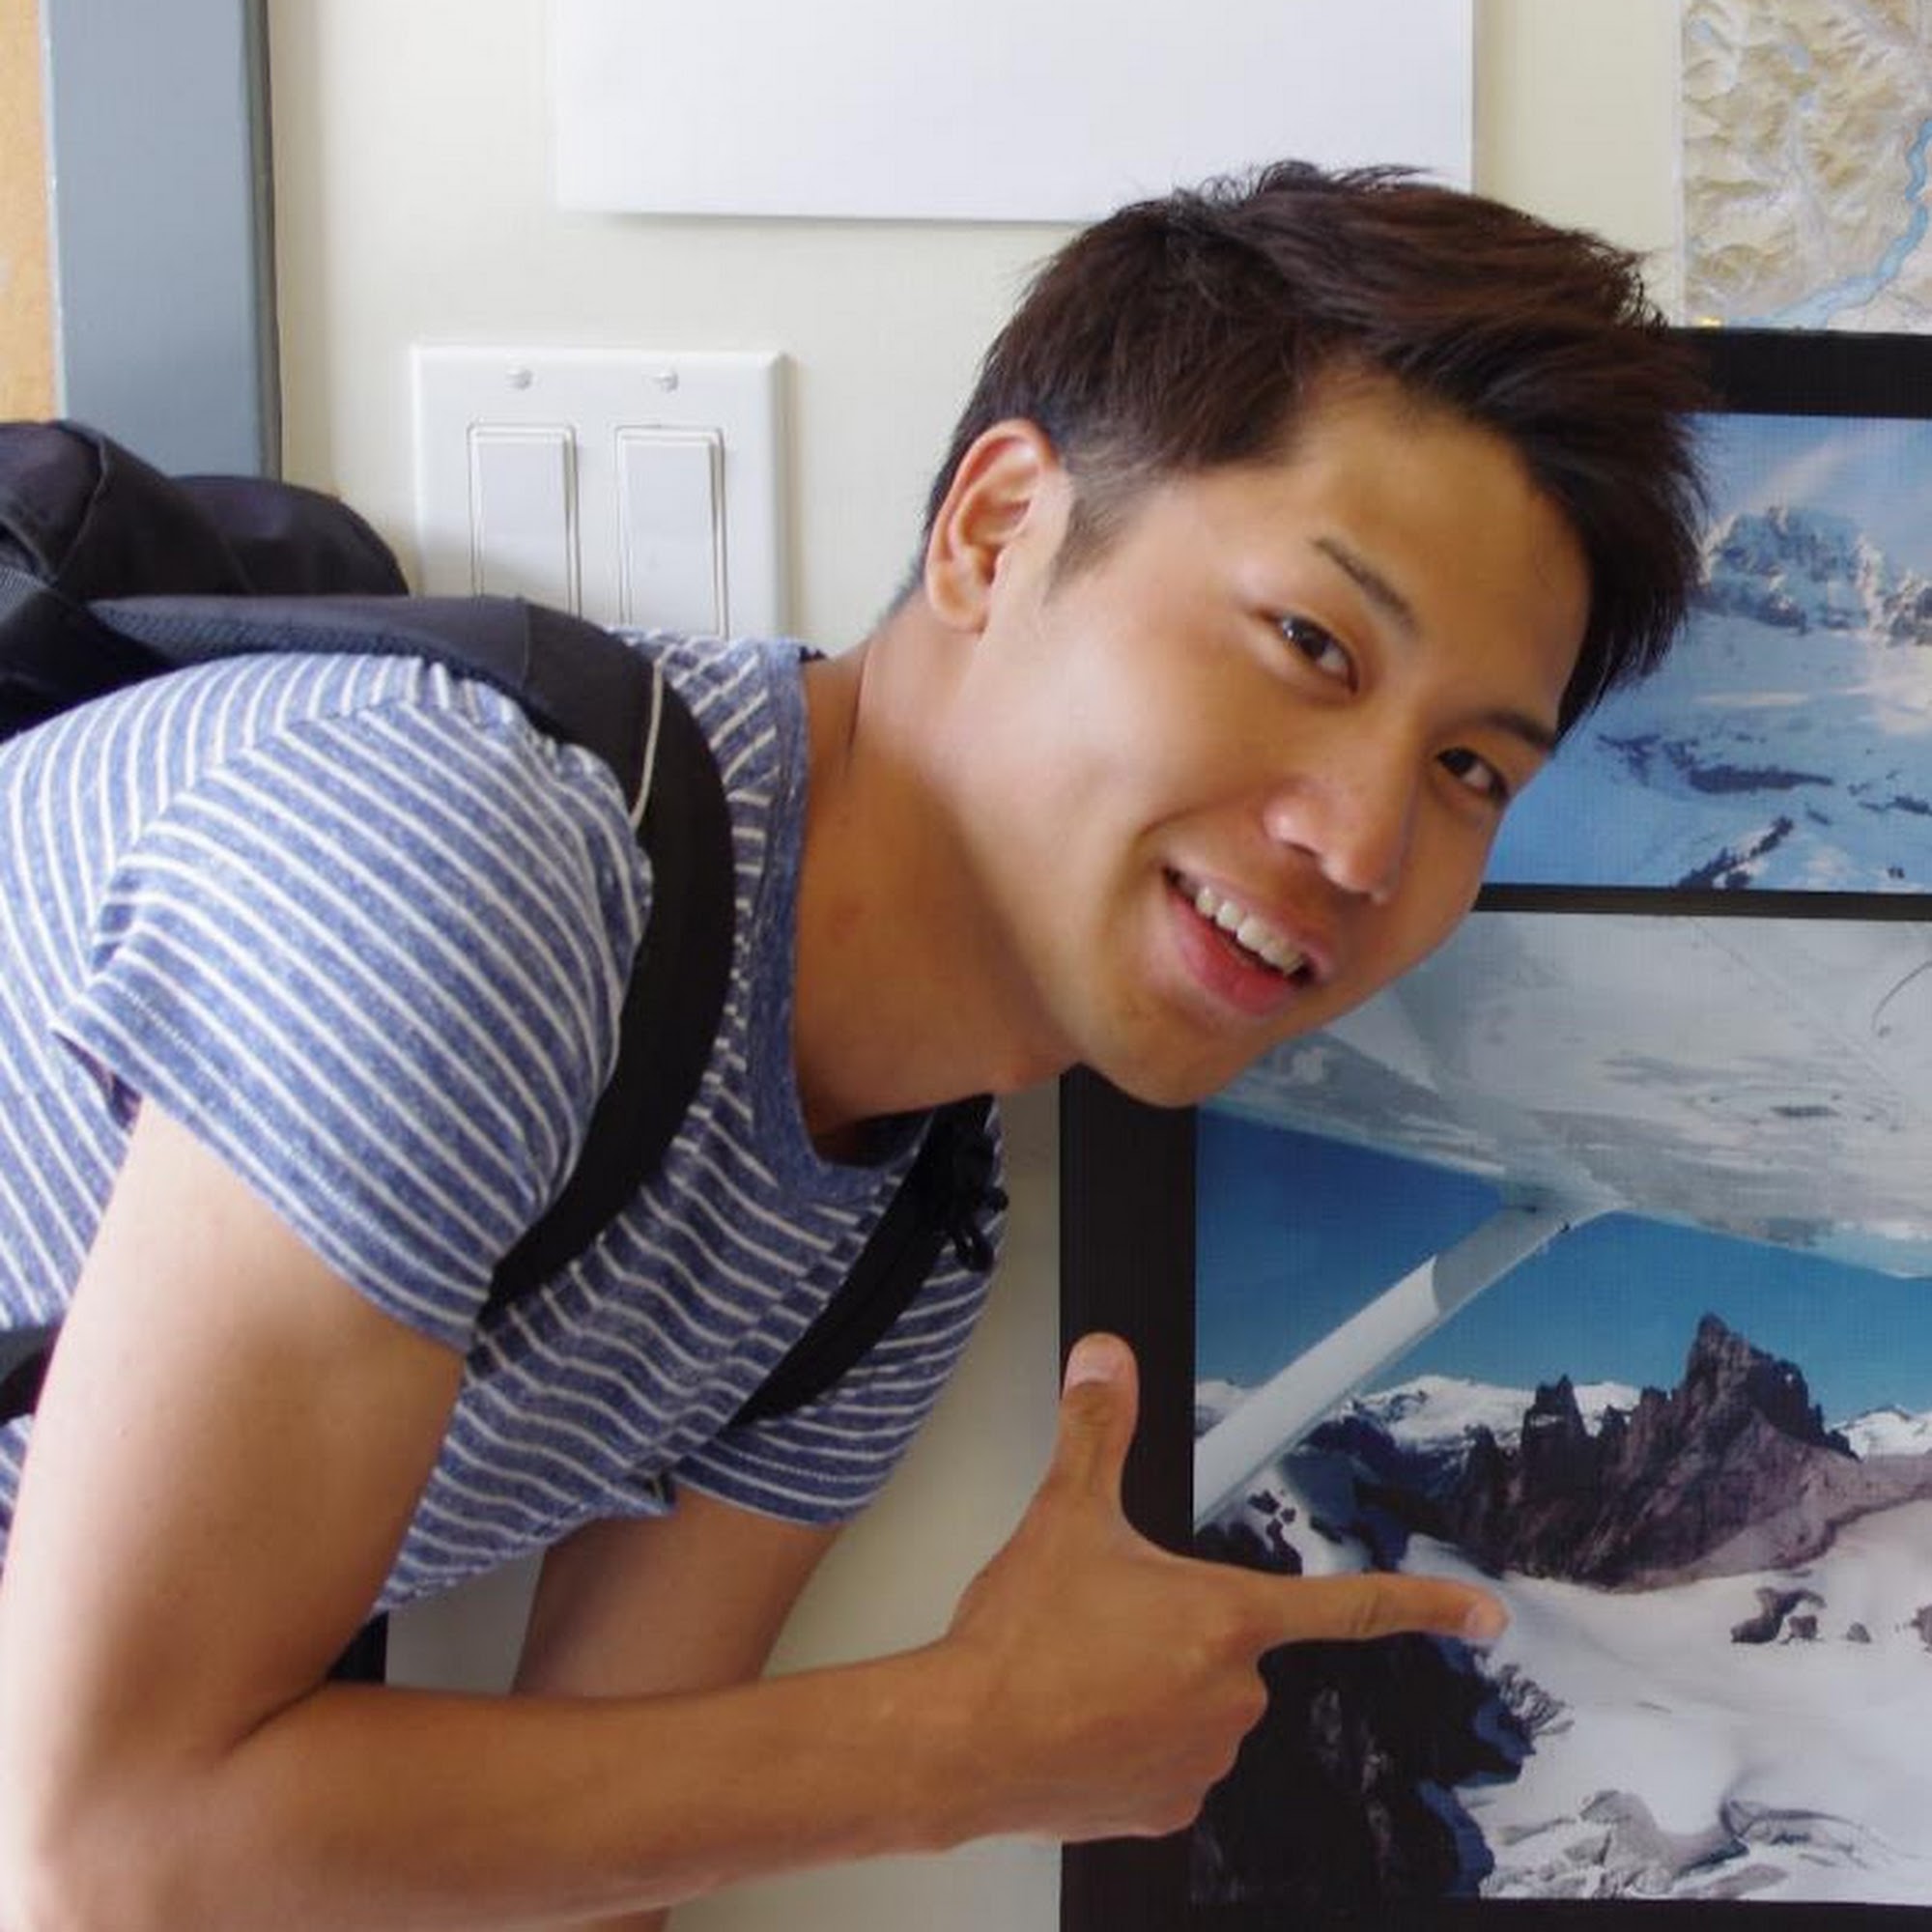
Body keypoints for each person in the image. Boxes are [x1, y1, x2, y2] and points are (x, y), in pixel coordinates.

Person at [0, 160, 1706, 1928]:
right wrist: (969, 1748)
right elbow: (106, 1855)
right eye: (1309, 642)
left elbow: (591, 1887)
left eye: (1468, 769)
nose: (1362, 845)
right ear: (997, 531)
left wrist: (969, 1749)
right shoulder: (475, 870)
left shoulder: (899, 1239)